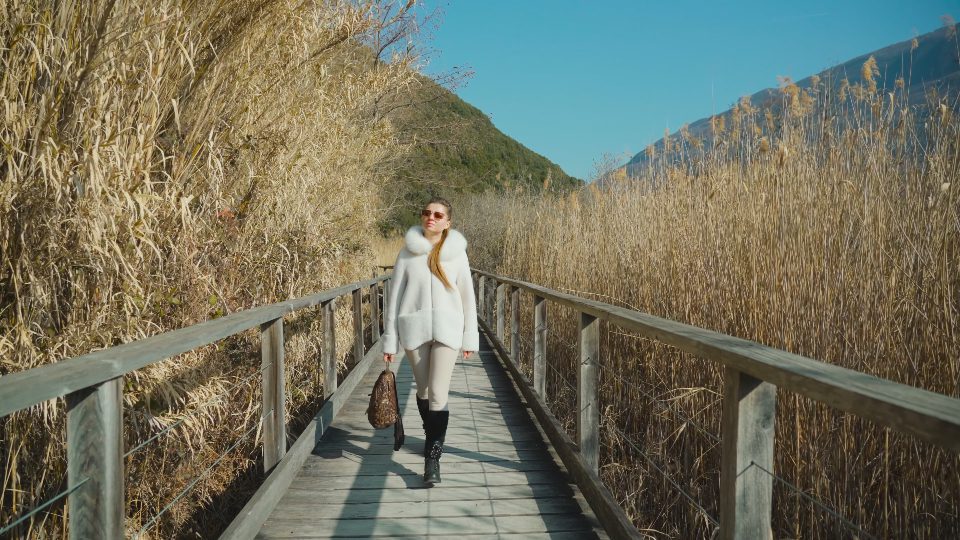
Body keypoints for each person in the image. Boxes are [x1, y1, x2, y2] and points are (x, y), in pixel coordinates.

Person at [381, 197, 479, 487]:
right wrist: (390, 341)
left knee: (438, 392)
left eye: (438, 215)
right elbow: (394, 299)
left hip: (448, 331)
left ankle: (432, 457)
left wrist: (469, 335)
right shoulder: (407, 254)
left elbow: (468, 298)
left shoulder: (457, 255)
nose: (431, 218)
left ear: (448, 222)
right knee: (423, 390)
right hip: (414, 330)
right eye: (426, 213)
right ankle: (431, 430)